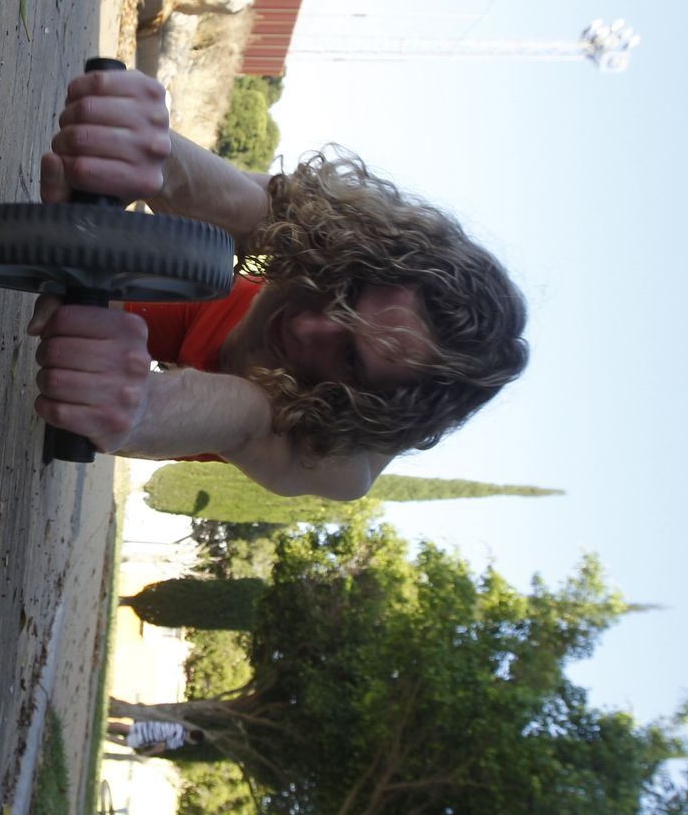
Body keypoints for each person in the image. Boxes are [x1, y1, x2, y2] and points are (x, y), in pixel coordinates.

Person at [28, 68, 529, 501]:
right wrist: (150, 153)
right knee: (266, 216)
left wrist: (130, 407)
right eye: (347, 292)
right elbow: (254, 200)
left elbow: (248, 425)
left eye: (350, 358)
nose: (308, 326)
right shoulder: (346, 239)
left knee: (252, 407)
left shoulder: (346, 463)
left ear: (368, 403)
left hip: (248, 403)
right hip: (224, 308)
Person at [106, 717, 204, 756]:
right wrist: (147, 753)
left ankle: (106, 725)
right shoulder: (178, 742)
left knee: (125, 727)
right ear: (193, 741)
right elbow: (161, 746)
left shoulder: (178, 727)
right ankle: (106, 737)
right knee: (125, 742)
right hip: (146, 738)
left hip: (148, 726)